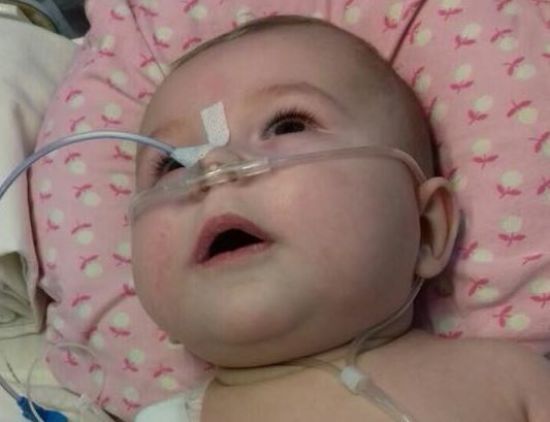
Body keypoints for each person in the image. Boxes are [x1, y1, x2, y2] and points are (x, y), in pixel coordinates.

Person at [131, 15, 550, 422]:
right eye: (171, 164)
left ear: (426, 229)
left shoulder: (507, 380)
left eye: (286, 126)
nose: (214, 165)